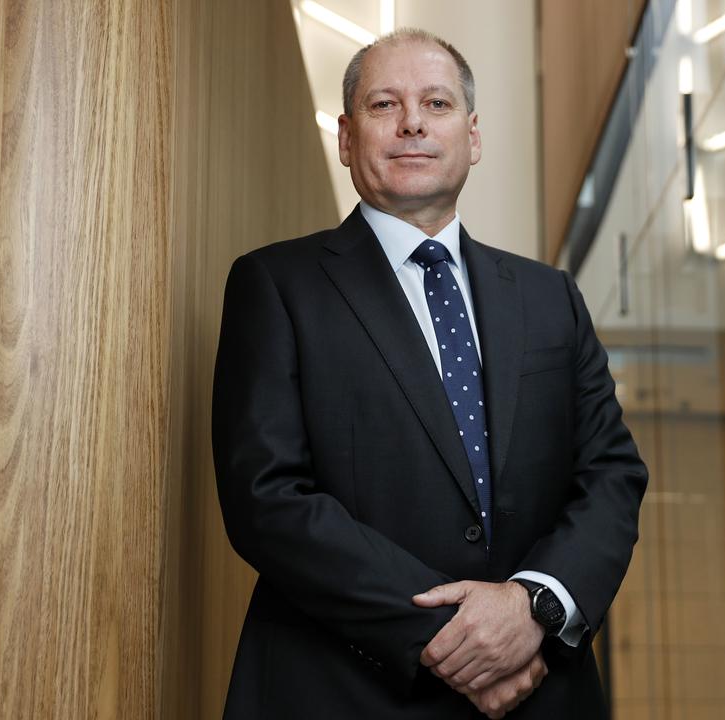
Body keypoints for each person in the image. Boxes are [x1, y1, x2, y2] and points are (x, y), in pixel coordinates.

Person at [212, 27, 647, 719]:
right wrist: (454, 635)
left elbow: (612, 475)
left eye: (436, 103)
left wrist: (533, 604)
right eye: (385, 104)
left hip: (539, 690)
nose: (413, 121)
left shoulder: (549, 297)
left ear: (472, 136)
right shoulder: (275, 285)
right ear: (347, 139)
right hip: (343, 689)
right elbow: (267, 496)